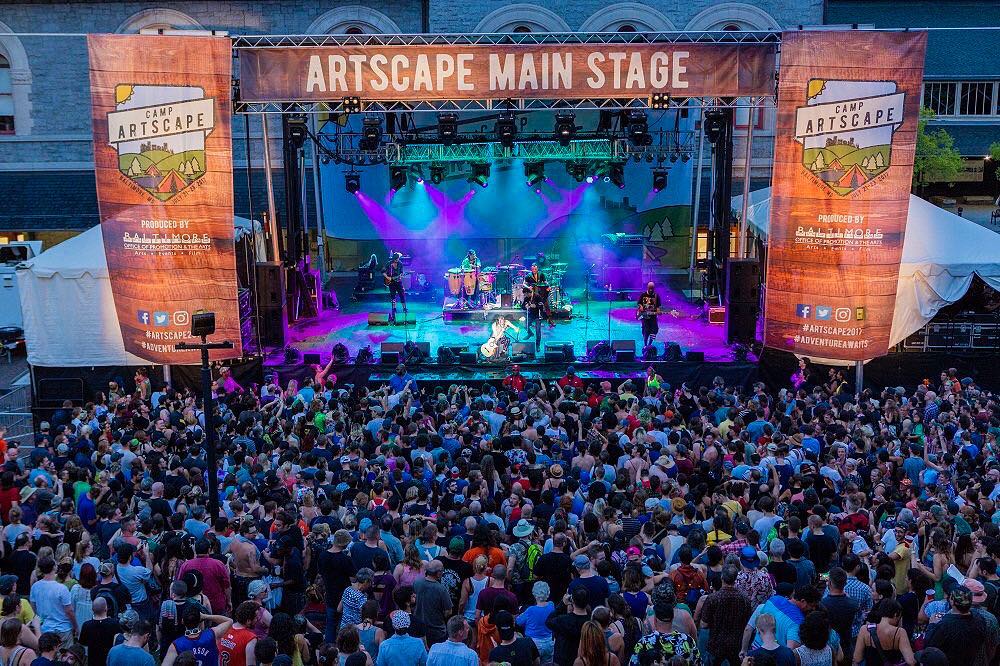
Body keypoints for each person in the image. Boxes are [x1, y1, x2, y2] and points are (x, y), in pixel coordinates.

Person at [700, 564, 752, 666]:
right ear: (735, 579)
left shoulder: (713, 598)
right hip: (736, 645)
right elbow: (747, 622)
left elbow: (704, 624)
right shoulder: (745, 599)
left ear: (722, 577)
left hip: (716, 644)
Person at [629, 601, 700, 665]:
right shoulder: (687, 640)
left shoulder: (644, 642)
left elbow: (633, 663)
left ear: (655, 620)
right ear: (672, 619)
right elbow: (698, 663)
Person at [161, 605, 234, 666]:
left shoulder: (176, 645)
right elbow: (229, 621)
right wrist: (205, 616)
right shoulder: (212, 634)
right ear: (200, 620)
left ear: (182, 621)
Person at [28, 557, 75, 647]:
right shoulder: (62, 588)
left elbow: (34, 608)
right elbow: (69, 611)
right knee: (65, 655)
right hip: (63, 629)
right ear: (54, 567)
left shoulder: (35, 587)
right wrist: (75, 626)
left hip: (45, 629)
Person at [853, 599, 915, 666]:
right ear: (895, 614)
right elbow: (911, 661)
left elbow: (857, 658)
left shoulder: (865, 629)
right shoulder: (899, 633)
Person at [412, 560, 452, 646]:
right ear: (438, 573)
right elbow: (448, 611)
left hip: (418, 628)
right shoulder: (441, 589)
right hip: (436, 631)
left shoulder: (417, 583)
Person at [547, 588, 591, 666]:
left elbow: (548, 621)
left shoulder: (564, 620)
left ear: (572, 600)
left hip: (564, 660)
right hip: (584, 660)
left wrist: (562, 604)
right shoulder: (591, 622)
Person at [79, 596, 121, 666]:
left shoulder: (87, 625)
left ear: (92, 609)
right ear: (106, 608)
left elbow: (83, 642)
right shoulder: (115, 624)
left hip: (93, 660)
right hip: (109, 660)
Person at [218, 602, 260, 666]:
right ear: (248, 621)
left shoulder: (224, 629)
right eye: (256, 617)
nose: (257, 619)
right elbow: (251, 664)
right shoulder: (250, 638)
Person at [636, 281, 662, 347]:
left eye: (652, 288)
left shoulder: (656, 296)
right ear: (647, 287)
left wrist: (658, 311)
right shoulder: (643, 295)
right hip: (644, 316)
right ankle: (645, 345)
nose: (650, 290)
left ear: (654, 288)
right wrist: (641, 306)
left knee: (654, 330)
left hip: (653, 316)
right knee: (646, 330)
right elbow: (639, 303)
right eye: (649, 288)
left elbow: (658, 307)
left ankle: (649, 345)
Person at [382, 252, 407, 320]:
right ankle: (394, 309)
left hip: (398, 282)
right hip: (391, 282)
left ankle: (404, 308)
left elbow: (401, 272)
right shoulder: (389, 263)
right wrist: (388, 277)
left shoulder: (400, 264)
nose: (397, 260)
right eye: (396, 259)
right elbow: (383, 272)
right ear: (394, 258)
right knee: (393, 296)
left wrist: (400, 276)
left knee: (402, 294)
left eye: (398, 259)